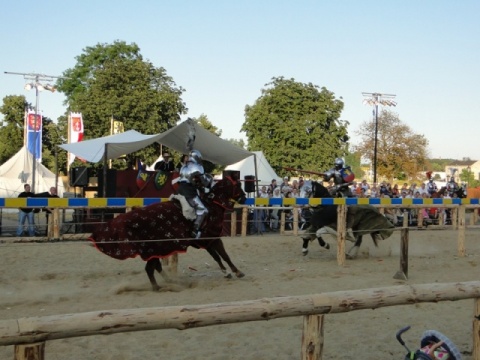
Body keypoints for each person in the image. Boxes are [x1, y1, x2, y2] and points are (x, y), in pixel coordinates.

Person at [177, 150, 213, 239]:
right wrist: (210, 181)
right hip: (188, 191)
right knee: (203, 210)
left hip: (180, 189)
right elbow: (205, 182)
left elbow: (190, 180)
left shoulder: (184, 166)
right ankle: (194, 231)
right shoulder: (197, 167)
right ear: (197, 157)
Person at [321, 158, 356, 241]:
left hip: (345, 191)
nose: (336, 167)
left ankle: (347, 224)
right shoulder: (333, 170)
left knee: (348, 207)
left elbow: (351, 181)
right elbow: (327, 178)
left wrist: (341, 185)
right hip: (336, 191)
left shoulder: (346, 171)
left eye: (338, 165)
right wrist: (325, 176)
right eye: (335, 165)